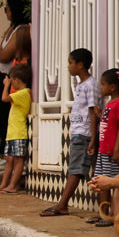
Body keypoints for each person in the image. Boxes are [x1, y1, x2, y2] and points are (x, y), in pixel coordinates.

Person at [41, 48, 100, 216]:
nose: (68, 67)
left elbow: (92, 112)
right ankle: (63, 203)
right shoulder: (82, 84)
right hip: (79, 132)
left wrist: (92, 138)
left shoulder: (90, 85)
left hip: (85, 133)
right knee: (76, 168)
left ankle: (62, 204)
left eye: (70, 63)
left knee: (76, 169)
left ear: (80, 65)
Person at [90, 68, 119, 226]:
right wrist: (100, 116)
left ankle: (111, 214)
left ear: (112, 87)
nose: (101, 88)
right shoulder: (110, 103)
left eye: (103, 85)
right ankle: (103, 213)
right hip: (103, 151)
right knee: (100, 183)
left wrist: (116, 149)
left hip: (111, 152)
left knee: (111, 183)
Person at [0, 0, 32, 148]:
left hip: (12, 80)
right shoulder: (11, 28)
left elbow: (2, 55)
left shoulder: (20, 30)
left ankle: (8, 151)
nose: (5, 12)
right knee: (4, 118)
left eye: (7, 9)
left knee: (8, 117)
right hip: (5, 78)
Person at [0, 64, 32, 194]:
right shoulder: (21, 94)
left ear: (15, 80)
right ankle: (4, 184)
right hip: (12, 134)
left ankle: (13, 185)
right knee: (9, 160)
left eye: (11, 81)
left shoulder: (24, 93)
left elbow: (4, 98)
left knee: (18, 160)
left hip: (19, 133)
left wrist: (6, 85)